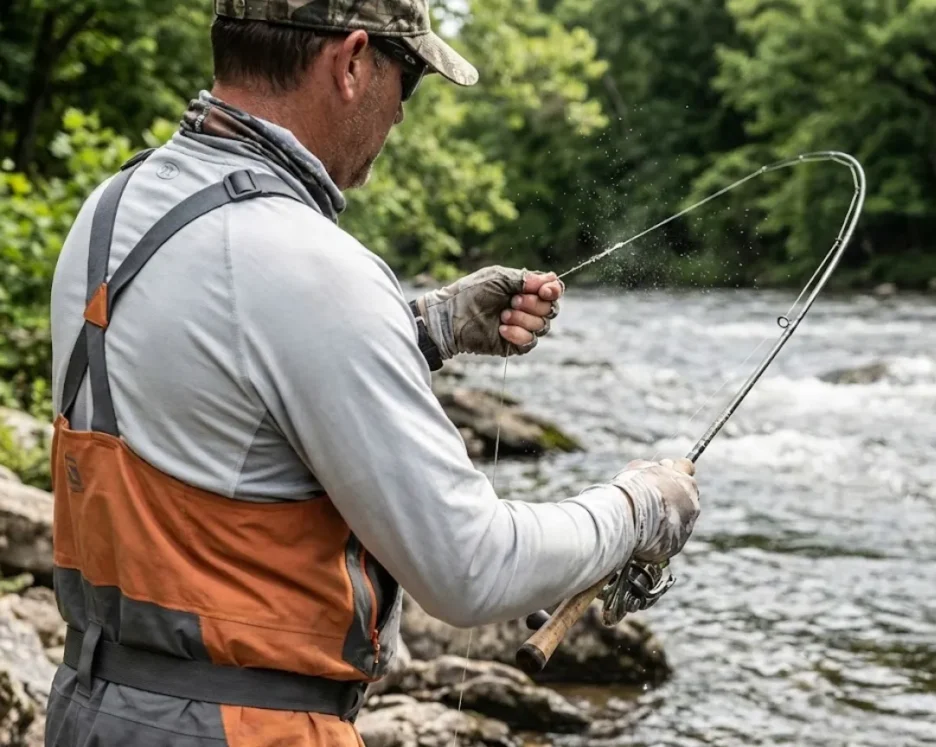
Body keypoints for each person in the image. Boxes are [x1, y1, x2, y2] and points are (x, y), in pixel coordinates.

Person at [44, 1, 701, 745]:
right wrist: (638, 508)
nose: (399, 116)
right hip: (245, 727)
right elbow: (471, 566)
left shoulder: (112, 209)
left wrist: (427, 328)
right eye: (409, 79)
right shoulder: (311, 267)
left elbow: (213, 401)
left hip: (93, 708)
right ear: (353, 61)